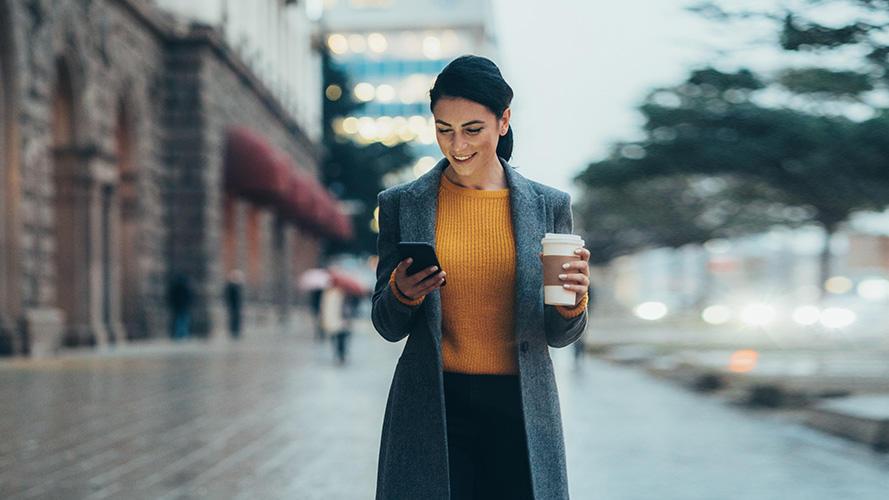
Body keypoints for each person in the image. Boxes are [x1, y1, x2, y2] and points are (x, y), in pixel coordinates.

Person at [371, 55, 590, 500]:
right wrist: (401, 293)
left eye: (473, 129)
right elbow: (386, 325)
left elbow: (561, 335)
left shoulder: (549, 206)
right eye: (443, 129)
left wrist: (572, 303)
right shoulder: (402, 204)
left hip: (520, 408)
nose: (457, 145)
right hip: (432, 404)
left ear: (503, 120)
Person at [167, 272, 193, 340]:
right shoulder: (185, 287)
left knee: (180, 321)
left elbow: (171, 297)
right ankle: (182, 335)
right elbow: (189, 296)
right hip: (182, 306)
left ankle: (179, 335)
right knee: (183, 321)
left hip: (178, 307)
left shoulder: (175, 287)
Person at [224, 270, 244, 339]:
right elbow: (228, 297)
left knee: (236, 319)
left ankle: (236, 332)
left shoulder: (236, 286)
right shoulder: (230, 286)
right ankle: (234, 333)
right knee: (233, 319)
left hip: (236, 306)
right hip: (233, 306)